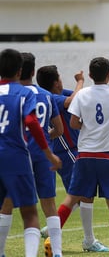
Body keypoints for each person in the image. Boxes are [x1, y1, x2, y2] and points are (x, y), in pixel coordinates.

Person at [58, 57, 109, 257]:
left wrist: (88, 126)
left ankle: (52, 241)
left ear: (89, 75)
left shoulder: (82, 95)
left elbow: (73, 123)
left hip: (85, 154)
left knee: (72, 198)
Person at [36, 65, 109, 252]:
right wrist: (80, 80)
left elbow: (82, 96)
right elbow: (72, 101)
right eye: (60, 78)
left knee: (84, 194)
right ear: (55, 82)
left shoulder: (61, 93)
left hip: (75, 150)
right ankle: (64, 231)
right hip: (67, 152)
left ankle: (83, 238)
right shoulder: (52, 97)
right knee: (80, 194)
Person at [0, 49, 61, 257]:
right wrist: (48, 151)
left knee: (5, 205)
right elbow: (34, 122)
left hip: (8, 155)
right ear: (25, 71)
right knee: (36, 210)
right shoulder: (31, 94)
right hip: (22, 155)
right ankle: (52, 253)